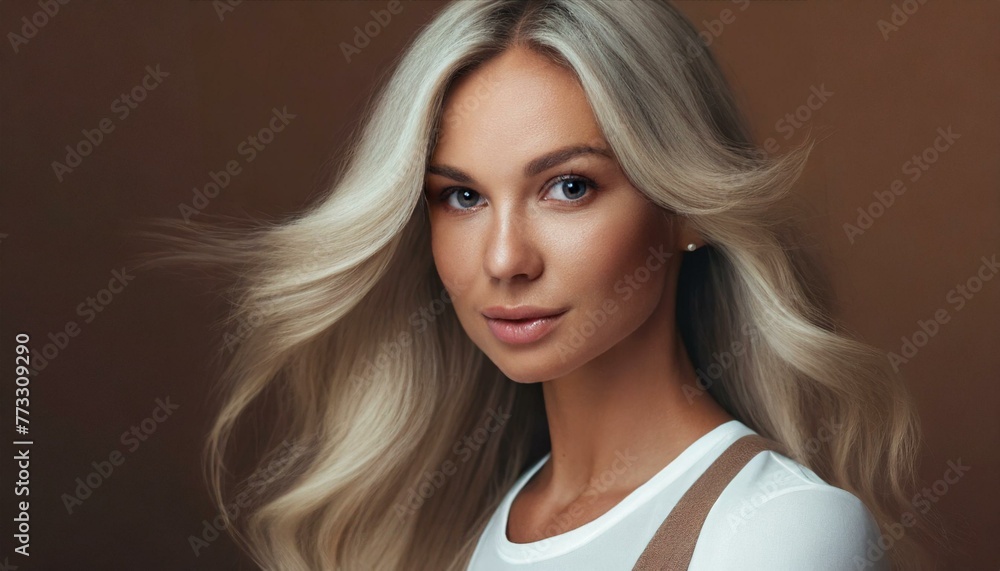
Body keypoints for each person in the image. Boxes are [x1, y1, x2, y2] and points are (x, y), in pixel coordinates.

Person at [136, 0, 946, 569]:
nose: (504, 258)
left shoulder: (775, 532)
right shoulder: (444, 528)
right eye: (462, 196)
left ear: (684, 209)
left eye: (568, 187)